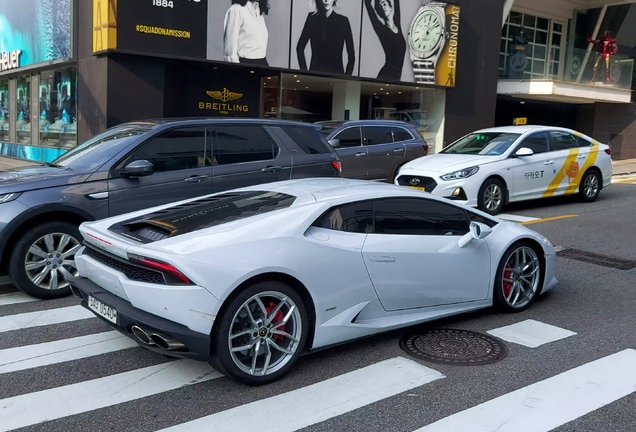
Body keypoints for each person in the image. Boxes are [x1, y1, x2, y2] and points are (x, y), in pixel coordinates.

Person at [296, 0, 355, 75]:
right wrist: (305, 73)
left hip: (336, 76)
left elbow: (351, 54)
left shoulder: (343, 21)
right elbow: (300, 48)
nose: (326, 0)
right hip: (315, 75)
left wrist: (346, 77)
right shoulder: (312, 19)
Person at [364, 0, 405, 80]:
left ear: (390, 7)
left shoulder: (397, 24)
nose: (383, 7)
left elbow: (397, 2)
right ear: (379, 13)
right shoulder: (381, 29)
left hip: (396, 74)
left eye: (384, 4)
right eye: (380, 7)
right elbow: (367, 4)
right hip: (388, 74)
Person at [223, 0, 270, 66]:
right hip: (245, 64)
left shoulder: (258, 10)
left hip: (262, 63)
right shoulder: (236, 9)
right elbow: (230, 50)